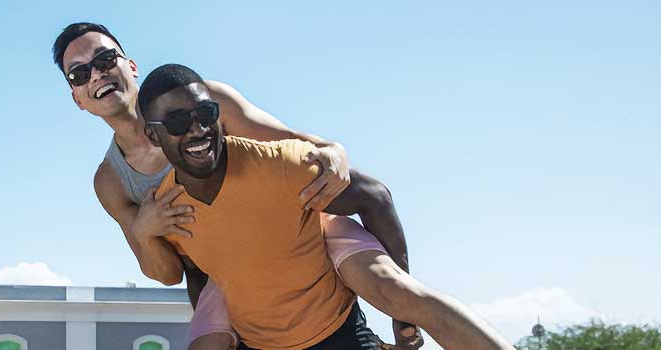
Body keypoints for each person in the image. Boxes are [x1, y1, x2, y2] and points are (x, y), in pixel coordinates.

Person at [53, 23, 419, 349]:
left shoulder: (205, 100)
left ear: (130, 65)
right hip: (225, 278)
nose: (96, 75)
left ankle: (403, 323)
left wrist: (332, 149)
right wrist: (144, 230)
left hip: (291, 236)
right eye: (79, 73)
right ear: (77, 98)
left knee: (386, 274)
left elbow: (289, 141)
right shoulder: (111, 180)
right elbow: (167, 273)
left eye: (105, 59)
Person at [140, 63, 512, 349]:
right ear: (153, 135)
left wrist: (401, 312)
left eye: (205, 114)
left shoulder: (280, 166)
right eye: (177, 122)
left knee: (419, 300)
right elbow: (196, 272)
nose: (197, 129)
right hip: (261, 345)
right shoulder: (168, 210)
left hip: (338, 334)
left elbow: (374, 196)